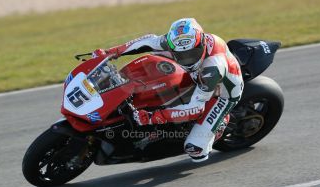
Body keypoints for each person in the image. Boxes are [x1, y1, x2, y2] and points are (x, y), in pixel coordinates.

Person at [92, 18, 244, 162]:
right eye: (181, 55)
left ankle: (220, 123)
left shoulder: (212, 68)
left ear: (201, 44)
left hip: (222, 92)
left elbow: (196, 108)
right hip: (196, 75)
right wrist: (111, 52)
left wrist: (154, 117)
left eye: (191, 54)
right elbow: (147, 41)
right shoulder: (174, 41)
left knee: (195, 149)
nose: (187, 59)